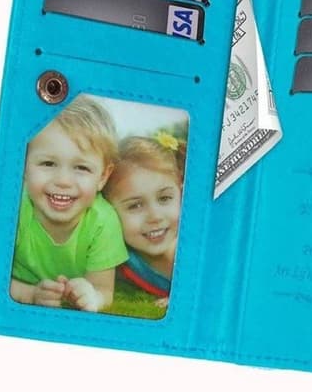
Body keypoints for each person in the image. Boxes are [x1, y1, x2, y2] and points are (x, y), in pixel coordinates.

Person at [10, 95, 128, 312]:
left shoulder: (103, 221)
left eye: (82, 168)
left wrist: (92, 296)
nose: (63, 181)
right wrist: (31, 294)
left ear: (103, 176)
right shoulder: (14, 209)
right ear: (23, 165)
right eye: (48, 163)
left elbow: (104, 290)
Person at [104, 133, 185, 307]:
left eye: (164, 198)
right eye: (135, 206)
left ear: (181, 192)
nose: (155, 216)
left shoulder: (193, 248)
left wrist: (187, 294)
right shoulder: (120, 260)